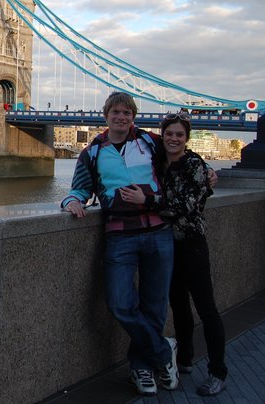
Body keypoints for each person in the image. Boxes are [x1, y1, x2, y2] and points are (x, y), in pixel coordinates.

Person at [61, 92, 179, 397]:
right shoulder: (93, 152)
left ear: (133, 117)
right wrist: (73, 201)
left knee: (154, 306)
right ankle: (163, 350)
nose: (121, 117)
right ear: (106, 115)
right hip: (120, 235)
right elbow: (79, 188)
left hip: (158, 231)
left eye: (127, 112)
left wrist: (203, 171)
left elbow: (180, 158)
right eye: (116, 112)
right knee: (119, 304)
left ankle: (141, 367)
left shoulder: (152, 142)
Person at [157, 112, 228, 396]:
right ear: (162, 136)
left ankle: (217, 372)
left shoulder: (195, 164)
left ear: (186, 139)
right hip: (166, 245)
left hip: (192, 245)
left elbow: (184, 206)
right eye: (169, 134)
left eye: (179, 135)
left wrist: (147, 202)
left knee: (206, 308)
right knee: (179, 306)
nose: (173, 139)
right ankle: (185, 358)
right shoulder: (158, 163)